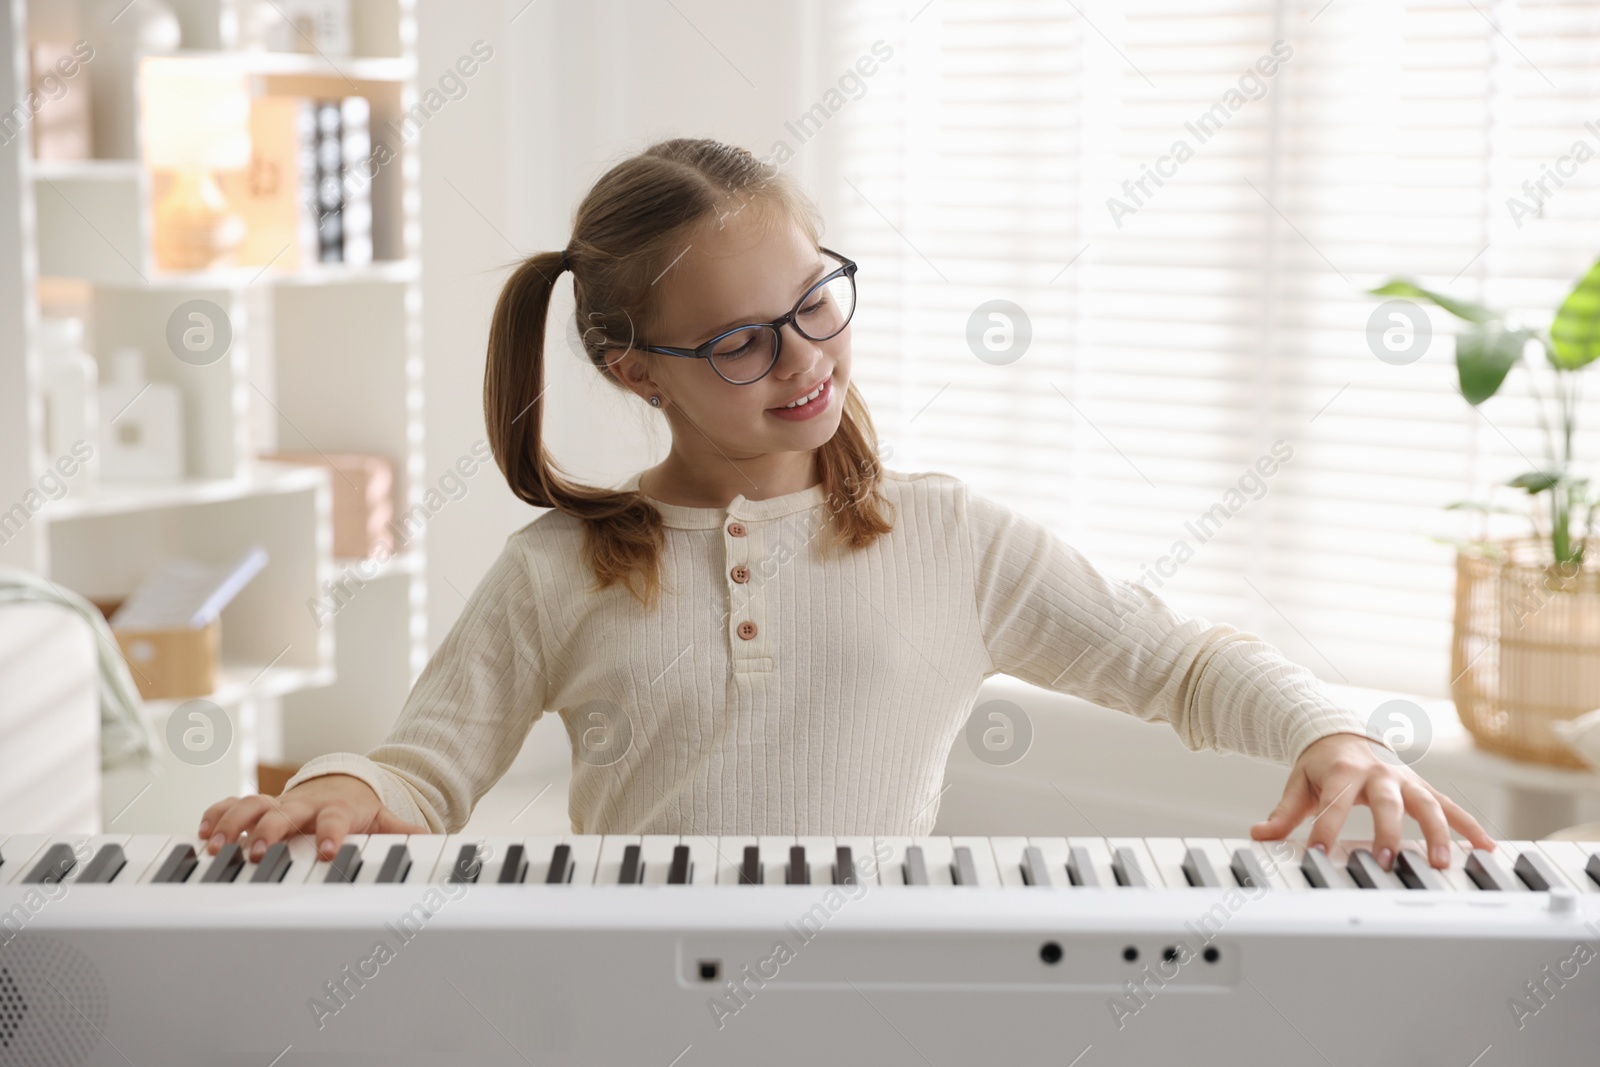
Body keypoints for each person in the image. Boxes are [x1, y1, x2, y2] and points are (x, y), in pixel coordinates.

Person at [199, 137, 1492, 873]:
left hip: (875, 987)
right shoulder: (564, 568)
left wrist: (1336, 737)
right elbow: (425, 770)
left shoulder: (951, 541)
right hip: (625, 996)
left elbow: (1185, 664)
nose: (808, 359)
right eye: (745, 343)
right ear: (632, 367)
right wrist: (341, 787)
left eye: (818, 302)